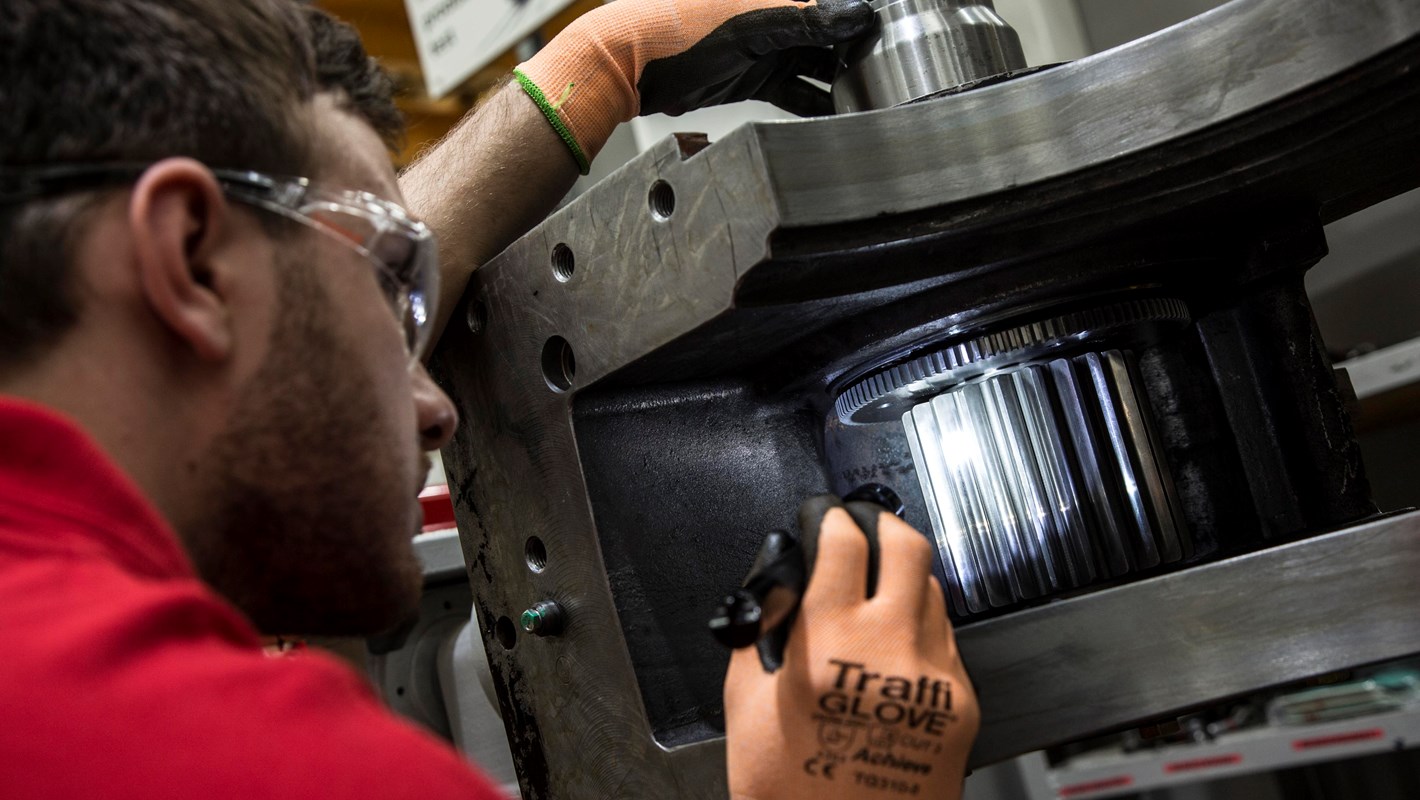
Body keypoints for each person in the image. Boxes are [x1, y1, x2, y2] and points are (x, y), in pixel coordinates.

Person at [0, 1, 977, 798]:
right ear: (191, 263)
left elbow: (295, 280)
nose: (438, 410)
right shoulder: (241, 760)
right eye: (391, 287)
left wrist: (595, 67)